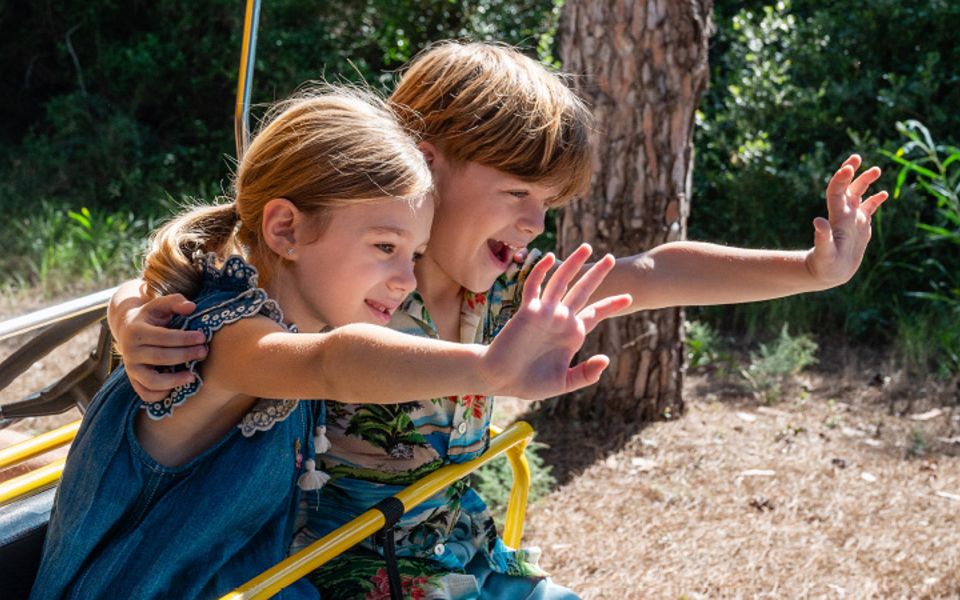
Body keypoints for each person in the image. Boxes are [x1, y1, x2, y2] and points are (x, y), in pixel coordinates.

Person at [107, 42, 888, 599]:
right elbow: (272, 316)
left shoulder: (505, 294)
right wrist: (132, 310)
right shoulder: (343, 286)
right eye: (518, 191)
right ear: (426, 161)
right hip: (348, 573)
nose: (535, 222)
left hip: (468, 562)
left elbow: (653, 271)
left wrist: (809, 270)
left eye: (547, 203)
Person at [29, 87, 630, 600]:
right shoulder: (224, 337)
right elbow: (334, 363)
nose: (407, 279)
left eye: (416, 254)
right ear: (285, 229)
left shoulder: (289, 322)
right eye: (385, 247)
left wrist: (125, 303)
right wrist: (489, 367)